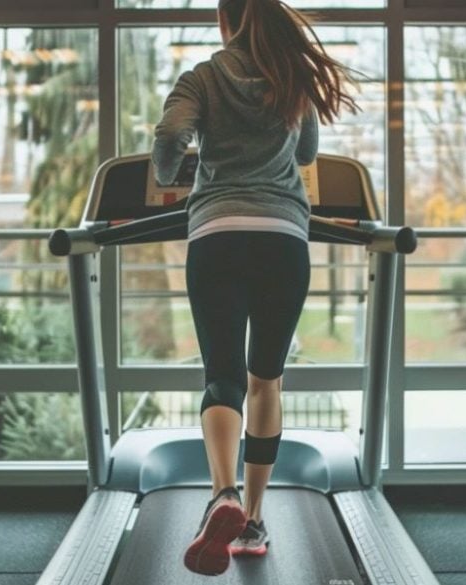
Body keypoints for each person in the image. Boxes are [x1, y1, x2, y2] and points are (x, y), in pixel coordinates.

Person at [151, 0, 359, 576]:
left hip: (216, 235)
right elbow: (309, 154)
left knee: (222, 375)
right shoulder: (291, 77)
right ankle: (255, 519)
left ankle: (223, 496)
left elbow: (170, 135)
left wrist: (172, 174)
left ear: (225, 20)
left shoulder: (202, 77)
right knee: (266, 379)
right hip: (283, 240)